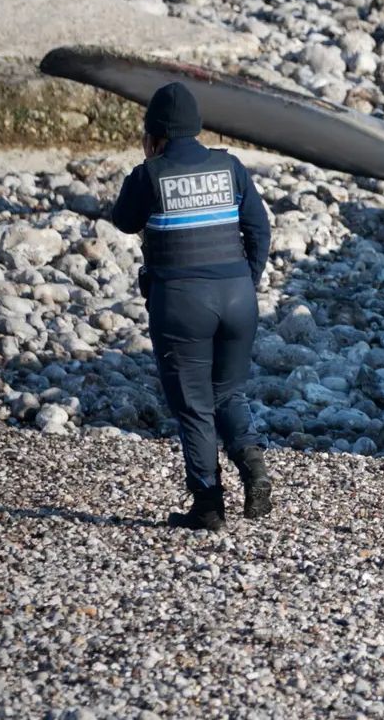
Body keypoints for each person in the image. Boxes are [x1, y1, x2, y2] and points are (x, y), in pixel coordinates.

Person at [109, 83, 274, 532]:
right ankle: (252, 462)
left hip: (182, 303)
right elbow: (259, 230)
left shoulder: (151, 175)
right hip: (239, 298)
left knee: (195, 406)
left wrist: (147, 166)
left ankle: (208, 507)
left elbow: (123, 220)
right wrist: (247, 280)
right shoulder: (230, 166)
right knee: (228, 393)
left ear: (155, 134)